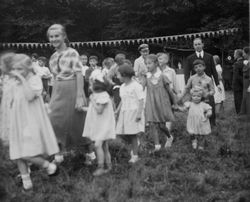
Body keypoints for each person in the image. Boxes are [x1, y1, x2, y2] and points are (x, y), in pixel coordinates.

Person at [8, 54, 59, 191]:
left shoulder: (35, 80)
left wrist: (21, 79)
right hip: (18, 120)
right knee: (18, 151)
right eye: (15, 69)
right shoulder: (15, 82)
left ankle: (48, 165)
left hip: (31, 121)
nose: (17, 72)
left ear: (28, 68)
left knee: (26, 152)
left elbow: (30, 96)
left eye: (20, 69)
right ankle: (27, 182)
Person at [47, 24, 88, 163]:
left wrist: (79, 96)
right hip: (58, 90)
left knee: (77, 121)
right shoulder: (52, 56)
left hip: (72, 87)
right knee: (54, 120)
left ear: (64, 36)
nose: (54, 39)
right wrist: (51, 96)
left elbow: (79, 74)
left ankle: (89, 152)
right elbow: (54, 78)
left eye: (57, 36)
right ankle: (58, 154)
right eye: (51, 37)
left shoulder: (72, 53)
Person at [82, 72, 115, 176]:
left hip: (104, 126)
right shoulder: (98, 95)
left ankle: (100, 167)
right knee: (104, 146)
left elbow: (99, 110)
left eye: (91, 84)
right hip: (100, 124)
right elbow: (93, 109)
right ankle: (109, 166)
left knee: (97, 145)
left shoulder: (103, 96)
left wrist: (92, 100)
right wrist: (83, 109)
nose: (90, 86)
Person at [144, 54, 176, 152]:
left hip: (161, 103)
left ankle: (169, 137)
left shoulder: (162, 76)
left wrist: (174, 103)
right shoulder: (146, 77)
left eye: (149, 63)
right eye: (146, 64)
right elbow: (140, 87)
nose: (147, 66)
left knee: (162, 125)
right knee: (152, 124)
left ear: (156, 64)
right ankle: (157, 146)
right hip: (151, 103)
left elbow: (170, 91)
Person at [185, 38, 219, 125]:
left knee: (210, 103)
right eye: (195, 44)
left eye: (199, 44)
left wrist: (217, 83)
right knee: (197, 104)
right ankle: (199, 123)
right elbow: (186, 73)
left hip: (207, 84)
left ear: (202, 44)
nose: (197, 46)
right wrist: (187, 86)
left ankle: (212, 123)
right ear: (193, 46)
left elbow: (214, 71)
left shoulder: (209, 56)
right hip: (196, 86)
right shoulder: (190, 58)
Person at [115, 63, 145, 163]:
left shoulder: (136, 86)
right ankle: (136, 143)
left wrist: (139, 114)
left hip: (134, 112)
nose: (117, 77)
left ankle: (135, 156)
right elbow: (122, 100)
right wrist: (117, 110)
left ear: (124, 75)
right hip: (124, 112)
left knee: (132, 134)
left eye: (118, 74)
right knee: (121, 133)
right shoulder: (122, 86)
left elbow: (141, 100)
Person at [179, 59, 215, 126]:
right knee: (195, 115)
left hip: (205, 100)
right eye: (196, 67)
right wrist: (181, 96)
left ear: (204, 67)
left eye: (200, 66)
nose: (198, 68)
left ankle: (205, 128)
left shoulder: (208, 79)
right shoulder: (192, 78)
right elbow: (187, 88)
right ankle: (195, 129)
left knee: (204, 115)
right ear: (194, 69)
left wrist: (208, 94)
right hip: (195, 100)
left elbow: (212, 90)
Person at [157, 52, 177, 147]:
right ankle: (164, 133)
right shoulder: (155, 71)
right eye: (157, 59)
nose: (158, 60)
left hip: (169, 95)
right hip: (159, 96)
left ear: (166, 60)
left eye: (161, 58)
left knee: (169, 115)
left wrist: (177, 94)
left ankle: (168, 138)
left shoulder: (171, 71)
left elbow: (175, 83)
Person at [0, 52, 16, 146]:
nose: (0, 67)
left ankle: (13, 139)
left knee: (12, 120)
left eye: (2, 64)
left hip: (12, 103)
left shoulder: (15, 77)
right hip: (6, 102)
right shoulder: (4, 77)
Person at [232, 49, 244, 114]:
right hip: (243, 84)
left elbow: (236, 76)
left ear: (237, 55)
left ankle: (239, 113)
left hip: (237, 85)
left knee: (238, 100)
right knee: (242, 99)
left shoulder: (236, 64)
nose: (233, 55)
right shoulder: (245, 62)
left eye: (234, 54)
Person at [240, 46, 250, 117]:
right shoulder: (247, 62)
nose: (243, 55)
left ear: (248, 53)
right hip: (246, 84)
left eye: (243, 53)